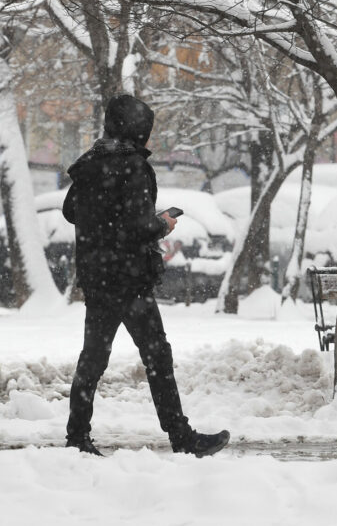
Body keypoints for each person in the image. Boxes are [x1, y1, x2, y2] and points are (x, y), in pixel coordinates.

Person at [63, 93, 229, 457]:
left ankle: (76, 436)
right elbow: (139, 227)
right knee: (157, 358)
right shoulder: (132, 166)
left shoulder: (90, 163)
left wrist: (104, 219)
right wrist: (163, 223)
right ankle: (181, 438)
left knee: (93, 358)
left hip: (98, 278)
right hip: (129, 278)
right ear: (139, 130)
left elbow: (70, 212)